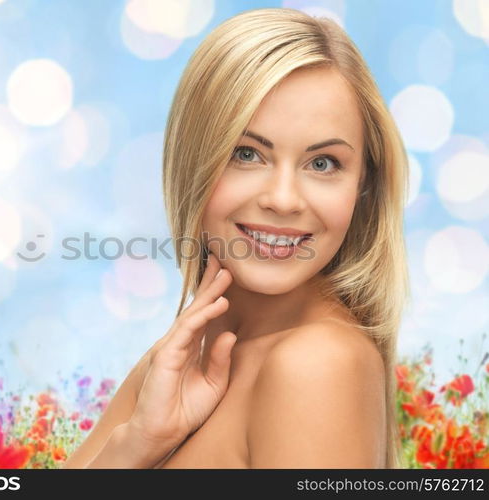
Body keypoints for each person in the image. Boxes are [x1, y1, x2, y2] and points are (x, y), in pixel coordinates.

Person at [62, 7, 410, 469]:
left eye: (322, 163)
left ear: (363, 185)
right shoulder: (175, 365)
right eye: (247, 154)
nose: (284, 200)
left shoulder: (317, 364)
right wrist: (139, 444)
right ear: (194, 160)